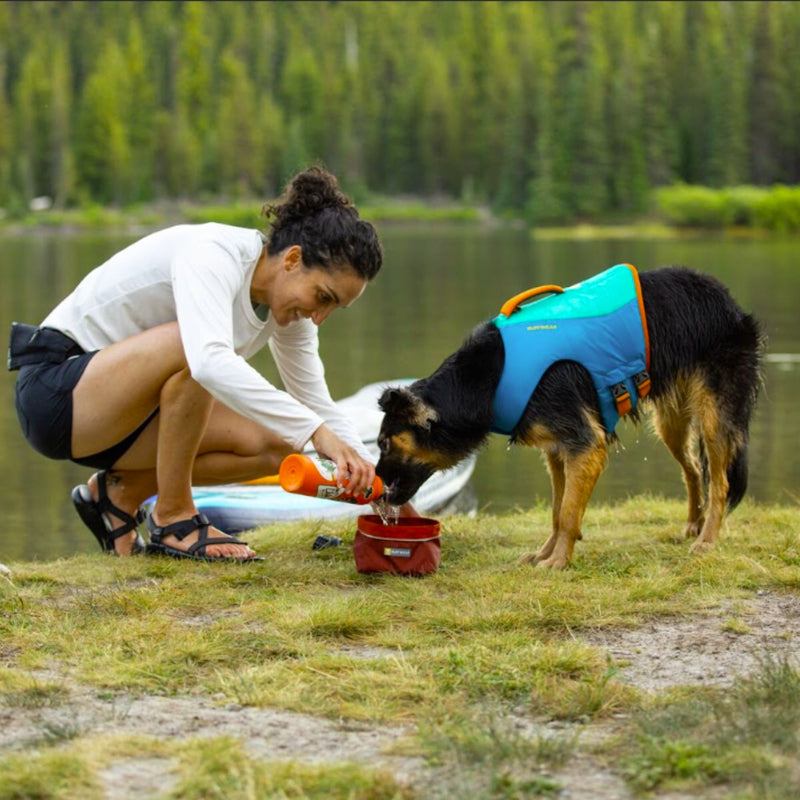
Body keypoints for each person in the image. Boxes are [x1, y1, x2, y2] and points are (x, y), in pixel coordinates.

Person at [9, 165, 415, 561]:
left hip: (125, 423)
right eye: (323, 297)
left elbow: (315, 403)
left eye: (335, 307)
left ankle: (119, 497)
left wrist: (380, 487)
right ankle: (173, 519)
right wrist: (318, 432)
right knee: (199, 351)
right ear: (292, 260)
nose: (320, 315)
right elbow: (206, 362)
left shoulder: (288, 309)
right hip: (58, 395)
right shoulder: (213, 254)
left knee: (283, 443)